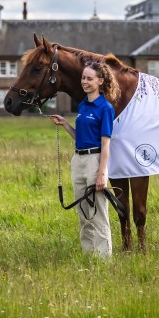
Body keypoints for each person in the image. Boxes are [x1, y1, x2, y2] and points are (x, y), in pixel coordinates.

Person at [48, 60, 120, 257]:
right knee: (83, 213)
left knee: (98, 213)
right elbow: (80, 137)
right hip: (78, 160)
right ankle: (89, 256)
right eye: (83, 77)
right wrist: (65, 124)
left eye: (89, 78)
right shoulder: (82, 105)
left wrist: (101, 173)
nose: (84, 81)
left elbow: (106, 144)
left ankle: (104, 260)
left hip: (95, 161)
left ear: (100, 81)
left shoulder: (105, 108)